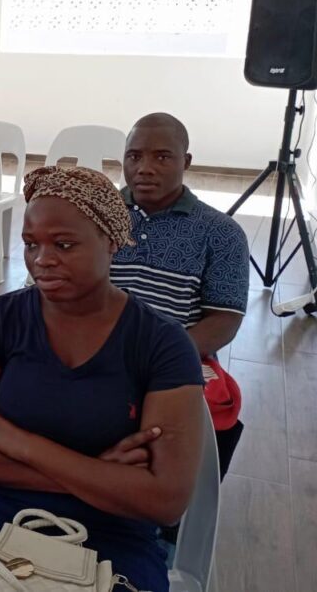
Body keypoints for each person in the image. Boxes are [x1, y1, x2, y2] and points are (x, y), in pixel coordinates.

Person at [0, 166, 205, 592]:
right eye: (31, 244)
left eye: (64, 244)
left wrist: (21, 444)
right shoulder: (1, 321)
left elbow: (165, 500)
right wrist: (98, 474)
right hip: (1, 512)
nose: (42, 260)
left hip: (116, 528)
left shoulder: (162, 343)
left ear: (111, 241)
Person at [114, 113, 248, 479]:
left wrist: (162, 357)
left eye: (162, 156)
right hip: (94, 348)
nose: (144, 168)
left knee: (174, 461)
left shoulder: (221, 232)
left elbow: (225, 318)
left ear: (185, 162)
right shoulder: (95, 217)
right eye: (134, 156)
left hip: (172, 356)